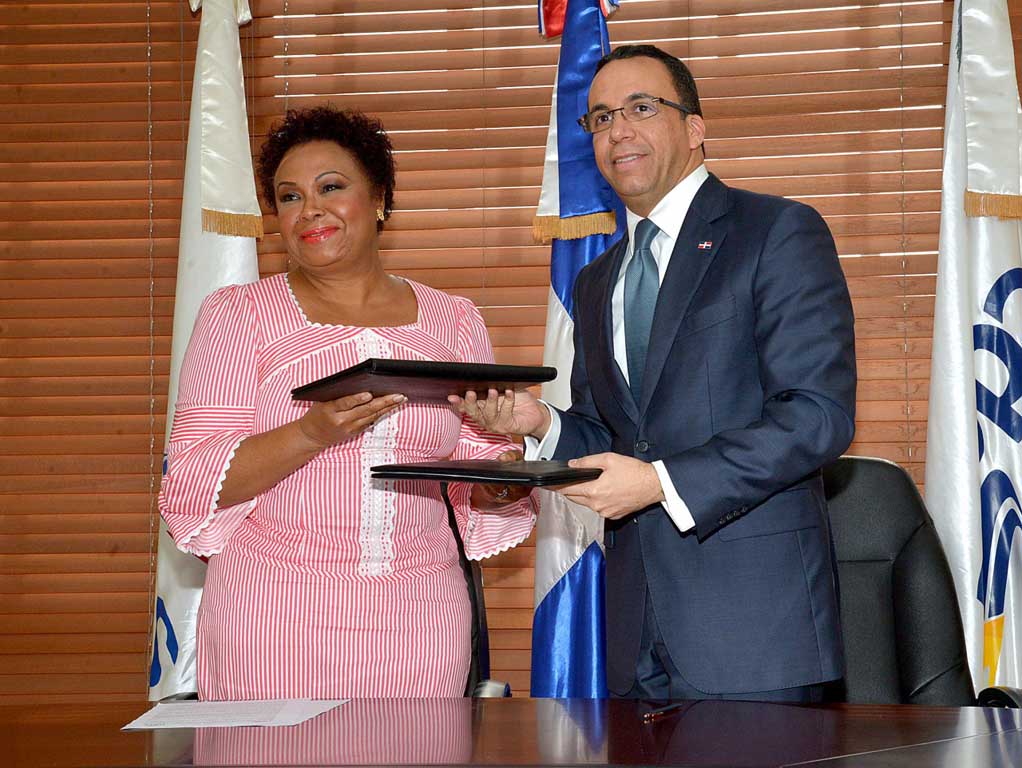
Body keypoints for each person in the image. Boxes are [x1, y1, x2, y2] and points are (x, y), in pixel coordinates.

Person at [452, 45, 857, 702]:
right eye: (602, 117)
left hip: (756, 635)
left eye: (641, 107)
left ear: (695, 127)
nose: (619, 131)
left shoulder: (776, 232)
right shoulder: (595, 282)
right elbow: (615, 438)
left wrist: (661, 483)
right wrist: (543, 425)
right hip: (635, 635)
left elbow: (816, 414)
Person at [159, 106, 536, 700]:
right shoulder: (237, 315)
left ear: (380, 198)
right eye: (289, 197)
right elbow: (195, 479)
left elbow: (479, 480)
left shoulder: (453, 318)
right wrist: (310, 433)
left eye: (331, 187)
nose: (310, 209)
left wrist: (512, 474)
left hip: (422, 619)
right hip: (272, 618)